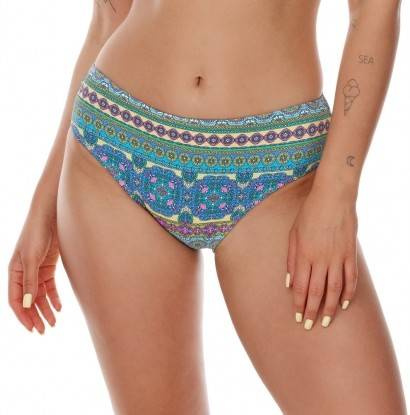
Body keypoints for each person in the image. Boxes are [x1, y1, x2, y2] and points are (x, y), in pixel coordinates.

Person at [8, 0, 407, 414]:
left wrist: (336, 197)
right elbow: (110, 16)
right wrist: (43, 204)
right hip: (117, 148)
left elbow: (374, 11)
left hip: (278, 171)